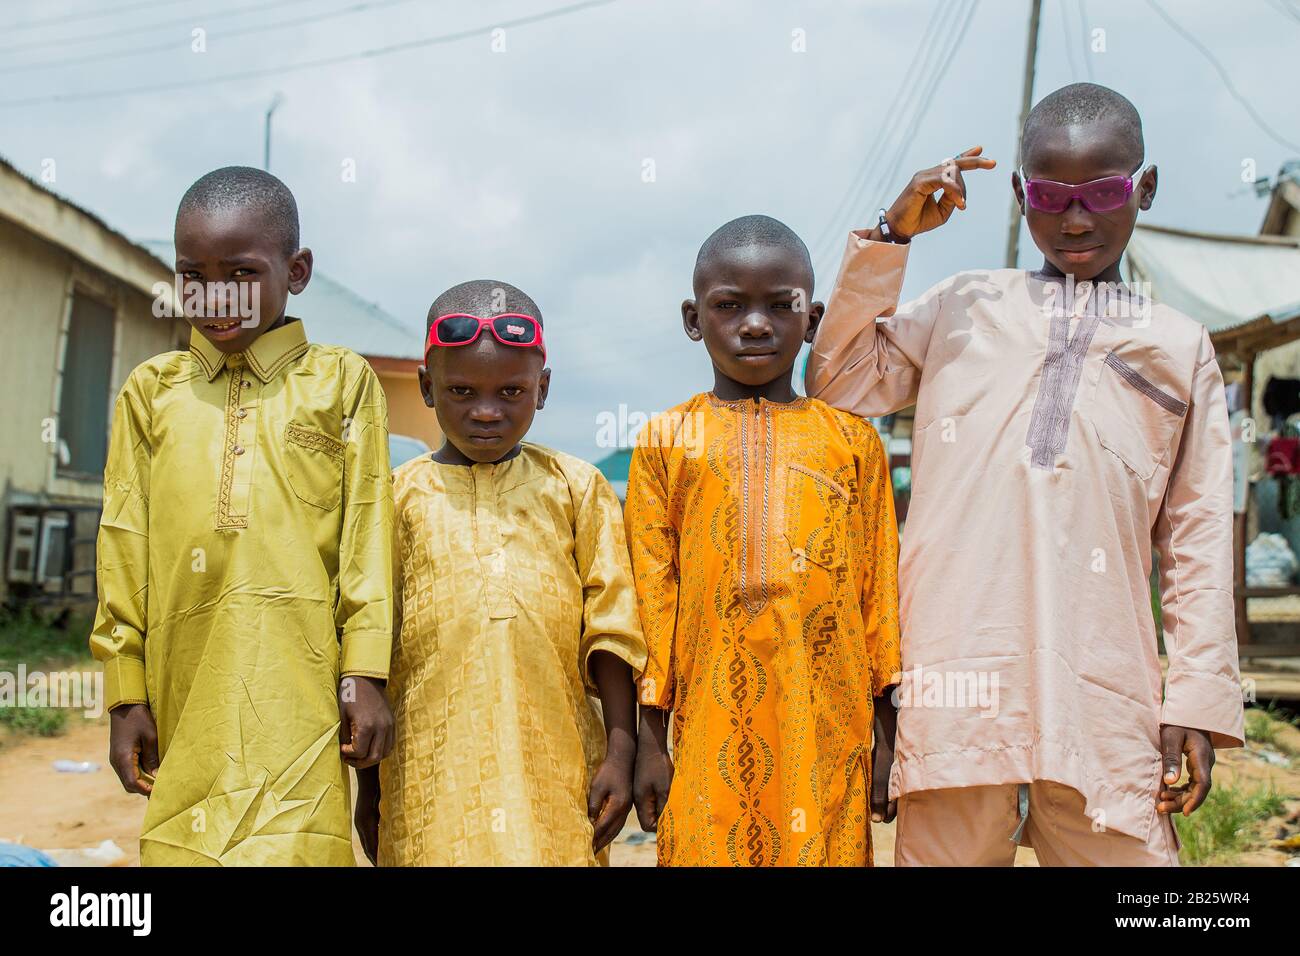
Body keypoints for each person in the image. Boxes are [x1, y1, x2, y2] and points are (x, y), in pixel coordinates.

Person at [808, 84, 1244, 866]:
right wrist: (890, 235)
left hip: (1103, 696)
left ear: (1144, 188)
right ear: (1019, 193)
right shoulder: (964, 305)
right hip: (956, 684)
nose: (1075, 220)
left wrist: (1199, 701)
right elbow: (837, 381)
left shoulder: (1179, 348)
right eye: (1051, 196)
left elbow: (1199, 539)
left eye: (1103, 194)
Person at [90, 166, 395, 866]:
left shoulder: (341, 382)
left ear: (298, 270)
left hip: (302, 689)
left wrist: (365, 673)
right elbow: (123, 545)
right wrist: (123, 693)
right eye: (193, 274)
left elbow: (367, 537)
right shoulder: (150, 393)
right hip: (182, 686)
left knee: (299, 849)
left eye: (242, 272)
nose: (215, 295)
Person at [626, 215, 901, 866]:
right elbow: (649, 603)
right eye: (730, 306)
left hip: (827, 732)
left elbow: (880, 600)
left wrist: (890, 739)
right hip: (703, 733)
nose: (756, 324)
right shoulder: (667, 441)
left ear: (813, 319)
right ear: (695, 319)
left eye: (782, 306)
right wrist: (646, 741)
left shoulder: (853, 444)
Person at [357, 280, 646, 866]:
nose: (486, 411)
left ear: (542, 390)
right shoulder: (393, 497)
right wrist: (369, 787)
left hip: (557, 772)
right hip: (425, 777)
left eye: (510, 391)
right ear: (426, 388)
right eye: (461, 390)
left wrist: (621, 751)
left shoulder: (576, 488)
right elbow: (371, 643)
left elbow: (612, 628)